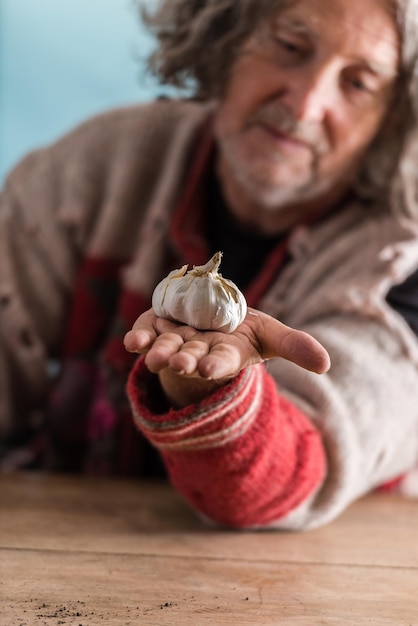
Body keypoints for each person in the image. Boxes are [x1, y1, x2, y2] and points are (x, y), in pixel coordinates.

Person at [1, 0, 418, 530]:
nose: (306, 103)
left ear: (396, 114)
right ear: (225, 35)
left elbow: (295, 473)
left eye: (358, 83)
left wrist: (209, 388)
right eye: (290, 47)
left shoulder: (403, 259)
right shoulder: (90, 169)